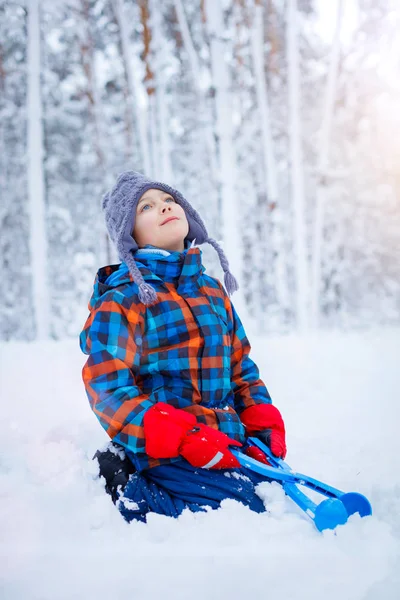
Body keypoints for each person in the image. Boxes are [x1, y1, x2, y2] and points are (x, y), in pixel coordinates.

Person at [80, 171, 287, 523]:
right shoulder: (125, 299)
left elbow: (240, 368)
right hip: (166, 447)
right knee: (244, 510)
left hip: (226, 442)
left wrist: (260, 424)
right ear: (129, 234)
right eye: (146, 207)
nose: (163, 208)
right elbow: (108, 387)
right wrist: (179, 436)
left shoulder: (211, 291)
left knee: (273, 492)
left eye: (169, 201)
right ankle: (126, 483)